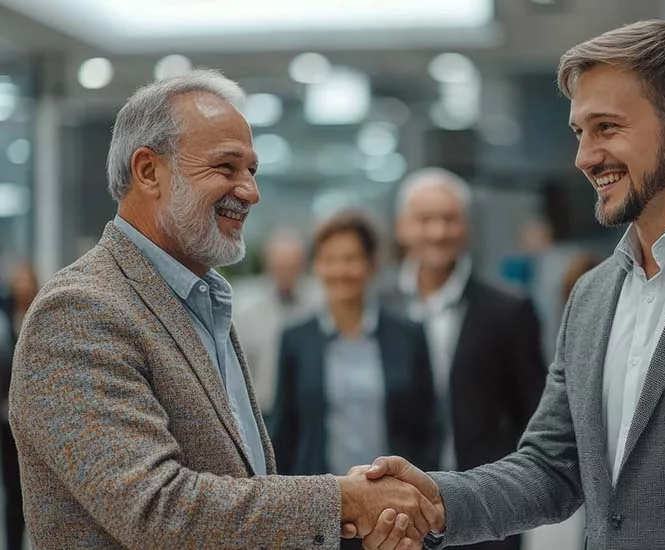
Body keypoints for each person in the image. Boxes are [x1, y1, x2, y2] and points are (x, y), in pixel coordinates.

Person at [349, 19, 665, 550]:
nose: (584, 157)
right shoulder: (593, 295)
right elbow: (551, 466)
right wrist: (436, 499)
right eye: (580, 132)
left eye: (607, 128)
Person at [9, 69, 435, 549]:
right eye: (226, 168)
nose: (250, 192)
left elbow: (240, 480)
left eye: (251, 170)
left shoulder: (200, 301)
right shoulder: (79, 312)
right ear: (148, 171)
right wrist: (343, 501)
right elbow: (157, 509)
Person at [383, 167, 547, 550]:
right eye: (425, 220)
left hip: (487, 512)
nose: (438, 232)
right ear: (403, 228)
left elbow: (536, 416)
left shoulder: (509, 311)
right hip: (397, 513)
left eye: (449, 219)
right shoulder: (379, 308)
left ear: (466, 227)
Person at [271, 212, 440, 549]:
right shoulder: (296, 339)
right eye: (330, 260)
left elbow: (430, 426)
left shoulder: (408, 335)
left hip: (394, 512)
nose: (341, 270)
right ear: (316, 267)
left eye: (351, 258)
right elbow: (284, 431)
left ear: (371, 264)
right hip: (320, 511)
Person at [233, 226, 315, 419]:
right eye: (280, 266)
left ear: (302, 265)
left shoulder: (318, 304)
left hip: (306, 411)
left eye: (291, 266)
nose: (285, 273)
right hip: (263, 412)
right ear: (268, 265)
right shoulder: (245, 309)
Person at [0, 261, 37, 550]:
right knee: (12, 488)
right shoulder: (4, 320)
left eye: (26, 280)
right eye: (17, 281)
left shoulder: (41, 315)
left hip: (36, 419)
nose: (21, 285)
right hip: (6, 420)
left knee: (33, 489)